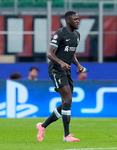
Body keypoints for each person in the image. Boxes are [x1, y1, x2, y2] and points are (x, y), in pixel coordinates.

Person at [36, 11, 83, 142]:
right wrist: (61, 62)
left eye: (78, 19)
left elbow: (71, 53)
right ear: (68, 21)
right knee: (67, 98)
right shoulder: (60, 33)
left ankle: (42, 126)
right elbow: (49, 53)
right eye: (75, 19)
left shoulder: (77, 35)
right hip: (56, 69)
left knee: (67, 102)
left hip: (66, 69)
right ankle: (66, 135)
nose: (78, 21)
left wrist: (78, 65)